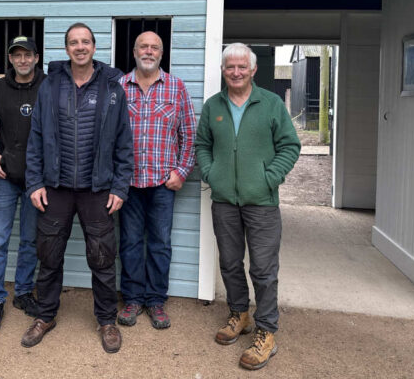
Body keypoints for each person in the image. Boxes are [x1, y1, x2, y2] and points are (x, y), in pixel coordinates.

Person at [22, 22, 134, 354]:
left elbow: (124, 142)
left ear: (94, 47)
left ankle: (106, 320)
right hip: (55, 187)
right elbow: (36, 138)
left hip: (97, 188)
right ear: (67, 48)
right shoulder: (50, 85)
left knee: (102, 258)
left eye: (85, 42)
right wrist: (34, 182)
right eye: (74, 42)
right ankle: (45, 316)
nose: (80, 47)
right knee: (49, 254)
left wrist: (120, 186)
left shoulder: (113, 87)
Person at [194, 42, 300, 371]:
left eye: (242, 67)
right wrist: (212, 173)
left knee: (264, 270)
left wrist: (269, 178)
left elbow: (290, 145)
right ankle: (239, 314)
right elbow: (202, 145)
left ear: (253, 70)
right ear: (223, 71)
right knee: (229, 262)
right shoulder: (214, 106)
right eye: (230, 67)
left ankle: (266, 331)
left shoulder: (269, 104)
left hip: (262, 202)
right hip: (225, 200)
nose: (236, 72)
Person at [117, 31, 196, 329]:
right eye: (143, 47)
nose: (148, 52)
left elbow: (189, 136)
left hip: (164, 182)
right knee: (130, 243)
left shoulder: (176, 88)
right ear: (134, 51)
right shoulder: (120, 87)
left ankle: (156, 300)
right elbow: (107, 136)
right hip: (129, 183)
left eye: (154, 48)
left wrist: (182, 172)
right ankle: (133, 299)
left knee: (161, 243)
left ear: (162, 54)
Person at [0, 36, 45, 335]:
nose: (22, 60)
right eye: (16, 55)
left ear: (36, 57)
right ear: (10, 59)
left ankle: (22, 293)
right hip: (5, 177)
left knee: (30, 241)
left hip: (36, 180)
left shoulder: (48, 86)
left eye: (27, 55)